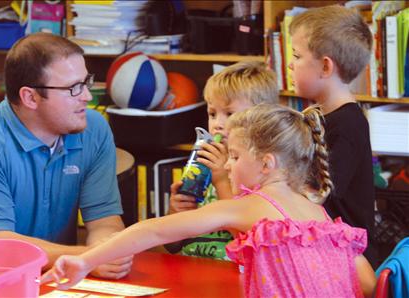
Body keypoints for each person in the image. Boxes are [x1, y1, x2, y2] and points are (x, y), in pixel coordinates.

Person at [42, 104, 376, 298]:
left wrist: (84, 261)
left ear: (266, 164)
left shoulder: (250, 207)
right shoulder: (316, 211)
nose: (228, 165)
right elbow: (366, 280)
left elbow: (155, 231)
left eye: (234, 155)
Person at [0, 33, 132, 279]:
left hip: (57, 278)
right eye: (74, 88)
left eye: (86, 82)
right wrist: (84, 259)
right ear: (30, 97)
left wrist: (106, 252)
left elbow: (104, 219)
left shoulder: (92, 128)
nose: (87, 96)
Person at [288, 5, 377, 267]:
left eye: (296, 55)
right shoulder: (316, 115)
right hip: (319, 244)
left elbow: (319, 192)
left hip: (347, 255)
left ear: (325, 67)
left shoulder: (349, 124)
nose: (290, 64)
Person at [165, 61, 279, 260]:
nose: (217, 124)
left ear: (262, 118)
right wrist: (176, 211)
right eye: (212, 114)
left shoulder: (261, 174)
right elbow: (171, 245)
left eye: (230, 114)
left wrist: (221, 180)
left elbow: (248, 241)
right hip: (192, 269)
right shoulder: (204, 165)